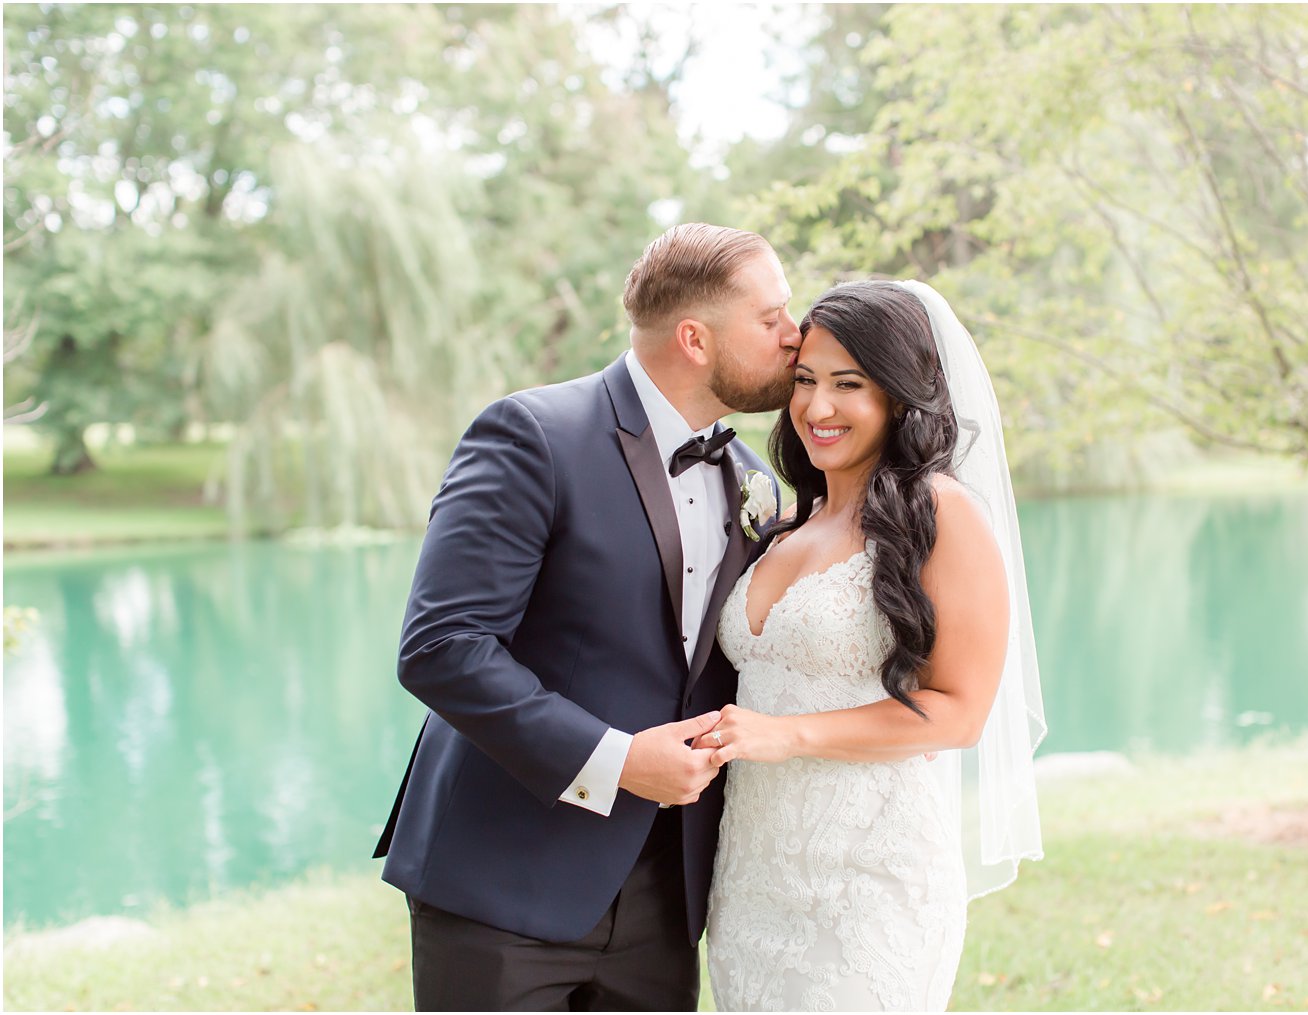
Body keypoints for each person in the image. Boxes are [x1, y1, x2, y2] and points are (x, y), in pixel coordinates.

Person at [372, 222, 800, 1011]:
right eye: (771, 316)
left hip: (666, 893)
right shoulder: (532, 435)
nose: (794, 333)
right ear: (696, 338)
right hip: (502, 881)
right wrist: (614, 759)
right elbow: (442, 646)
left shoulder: (751, 477)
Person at [697, 280, 1047, 1011]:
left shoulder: (942, 513)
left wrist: (787, 735)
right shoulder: (795, 521)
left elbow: (958, 712)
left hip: (870, 884)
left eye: (848, 385)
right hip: (755, 876)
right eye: (805, 381)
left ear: (899, 395)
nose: (817, 408)